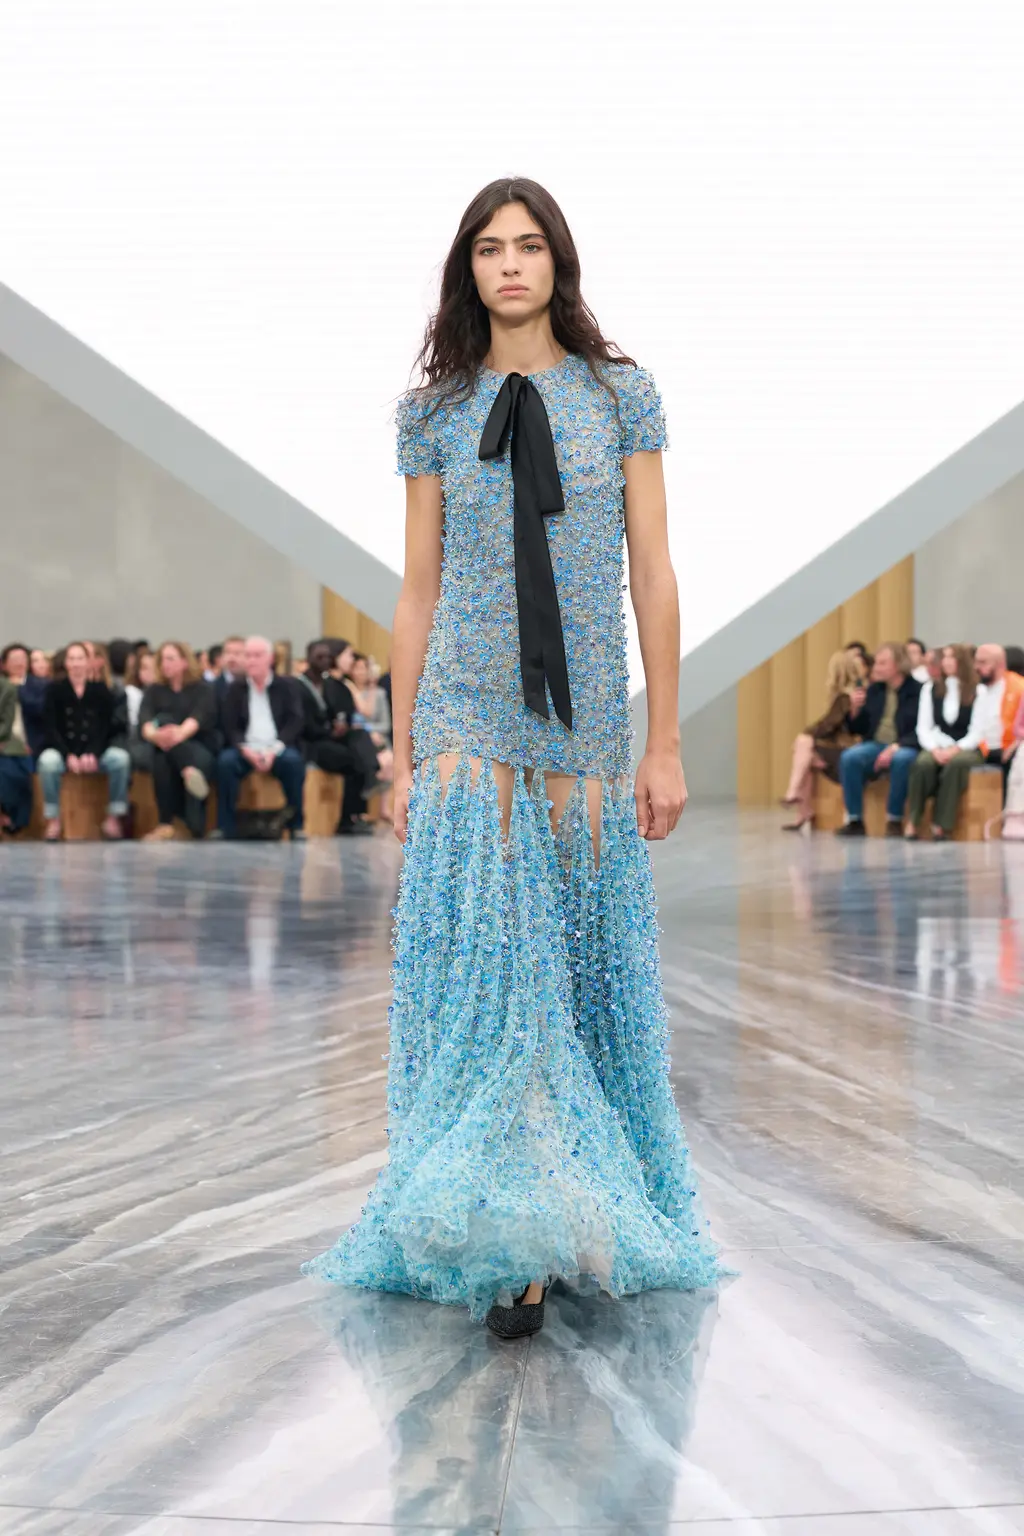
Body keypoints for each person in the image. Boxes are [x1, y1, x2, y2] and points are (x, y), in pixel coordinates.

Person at [302, 176, 725, 1336]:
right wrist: (400, 751)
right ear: (468, 271)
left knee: (580, 977)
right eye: (489, 249)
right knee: (497, 982)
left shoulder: (620, 396)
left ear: (557, 262)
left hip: (585, 722)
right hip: (465, 715)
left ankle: (570, 1204)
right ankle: (510, 1236)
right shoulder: (433, 412)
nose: (509, 265)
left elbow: (652, 573)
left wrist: (664, 740)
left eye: (528, 246)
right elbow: (418, 587)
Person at [37, 640, 131, 841]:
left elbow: (105, 728)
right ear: (66, 663)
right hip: (63, 750)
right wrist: (67, 755)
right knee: (47, 762)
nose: (76, 663)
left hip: (94, 751)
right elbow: (50, 728)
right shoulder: (54, 690)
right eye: (72, 659)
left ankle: (114, 817)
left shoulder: (101, 690)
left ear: (88, 662)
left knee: (120, 759)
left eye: (80, 658)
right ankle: (53, 819)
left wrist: (93, 753)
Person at [217, 635, 307, 839]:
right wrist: (245, 749)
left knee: (293, 762)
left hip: (277, 747)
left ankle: (296, 825)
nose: (251, 661)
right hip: (246, 748)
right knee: (225, 763)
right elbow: (230, 726)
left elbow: (295, 721)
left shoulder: (287, 686)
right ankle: (226, 826)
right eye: (248, 656)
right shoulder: (235, 688)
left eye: (257, 655)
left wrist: (274, 750)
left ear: (270, 659)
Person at [837, 642, 922, 837]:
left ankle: (894, 819)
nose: (876, 668)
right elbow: (859, 729)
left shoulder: (918, 691)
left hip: (905, 744)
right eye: (876, 663)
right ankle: (854, 819)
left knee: (902, 759)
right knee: (850, 758)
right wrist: (854, 710)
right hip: (876, 744)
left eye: (883, 663)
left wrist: (896, 747)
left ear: (898, 664)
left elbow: (922, 730)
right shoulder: (875, 690)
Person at [136, 642, 218, 840]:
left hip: (198, 744)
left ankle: (167, 823)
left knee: (165, 737)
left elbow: (196, 720)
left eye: (170, 659)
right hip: (165, 747)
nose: (165, 664)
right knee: (161, 756)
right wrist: (157, 736)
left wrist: (174, 736)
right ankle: (187, 771)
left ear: (184, 662)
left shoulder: (202, 689)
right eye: (162, 660)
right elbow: (145, 723)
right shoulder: (154, 690)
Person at [905, 644, 986, 840]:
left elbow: (978, 731)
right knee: (922, 764)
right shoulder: (930, 688)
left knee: (956, 765)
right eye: (945, 657)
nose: (947, 661)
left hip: (967, 747)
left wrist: (956, 749)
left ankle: (942, 823)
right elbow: (924, 727)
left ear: (963, 662)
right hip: (938, 744)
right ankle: (913, 820)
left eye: (952, 657)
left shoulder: (978, 690)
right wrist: (934, 749)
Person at [297, 639, 377, 835]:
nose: (324, 661)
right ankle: (351, 813)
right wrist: (331, 729)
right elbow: (308, 721)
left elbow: (345, 714)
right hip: (313, 741)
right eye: (319, 657)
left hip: (330, 735)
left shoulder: (335, 684)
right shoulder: (305, 684)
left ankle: (369, 776)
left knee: (360, 738)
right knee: (353, 758)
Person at [781, 649, 865, 830]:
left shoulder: (844, 697)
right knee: (805, 756)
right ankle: (803, 811)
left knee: (803, 744)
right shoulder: (852, 694)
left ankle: (794, 795)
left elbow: (827, 725)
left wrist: (805, 734)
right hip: (842, 747)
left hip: (846, 750)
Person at [346, 651, 395, 821]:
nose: (361, 672)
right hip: (358, 739)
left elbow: (385, 723)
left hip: (379, 740)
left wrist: (372, 731)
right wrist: (367, 731)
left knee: (389, 760)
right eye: (357, 668)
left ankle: (383, 809)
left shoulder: (379, 693)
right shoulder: (347, 690)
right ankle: (364, 806)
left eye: (364, 668)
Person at [973, 643, 1024, 779]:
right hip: (982, 748)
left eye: (982, 662)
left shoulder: (1019, 687)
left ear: (1000, 663)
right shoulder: (978, 689)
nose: (976, 667)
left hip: (1011, 748)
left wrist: (1013, 747)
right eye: (976, 662)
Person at [0, 673, 33, 835]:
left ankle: (8, 814)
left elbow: (6, 723)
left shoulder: (6, 687)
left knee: (9, 771)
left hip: (5, 741)